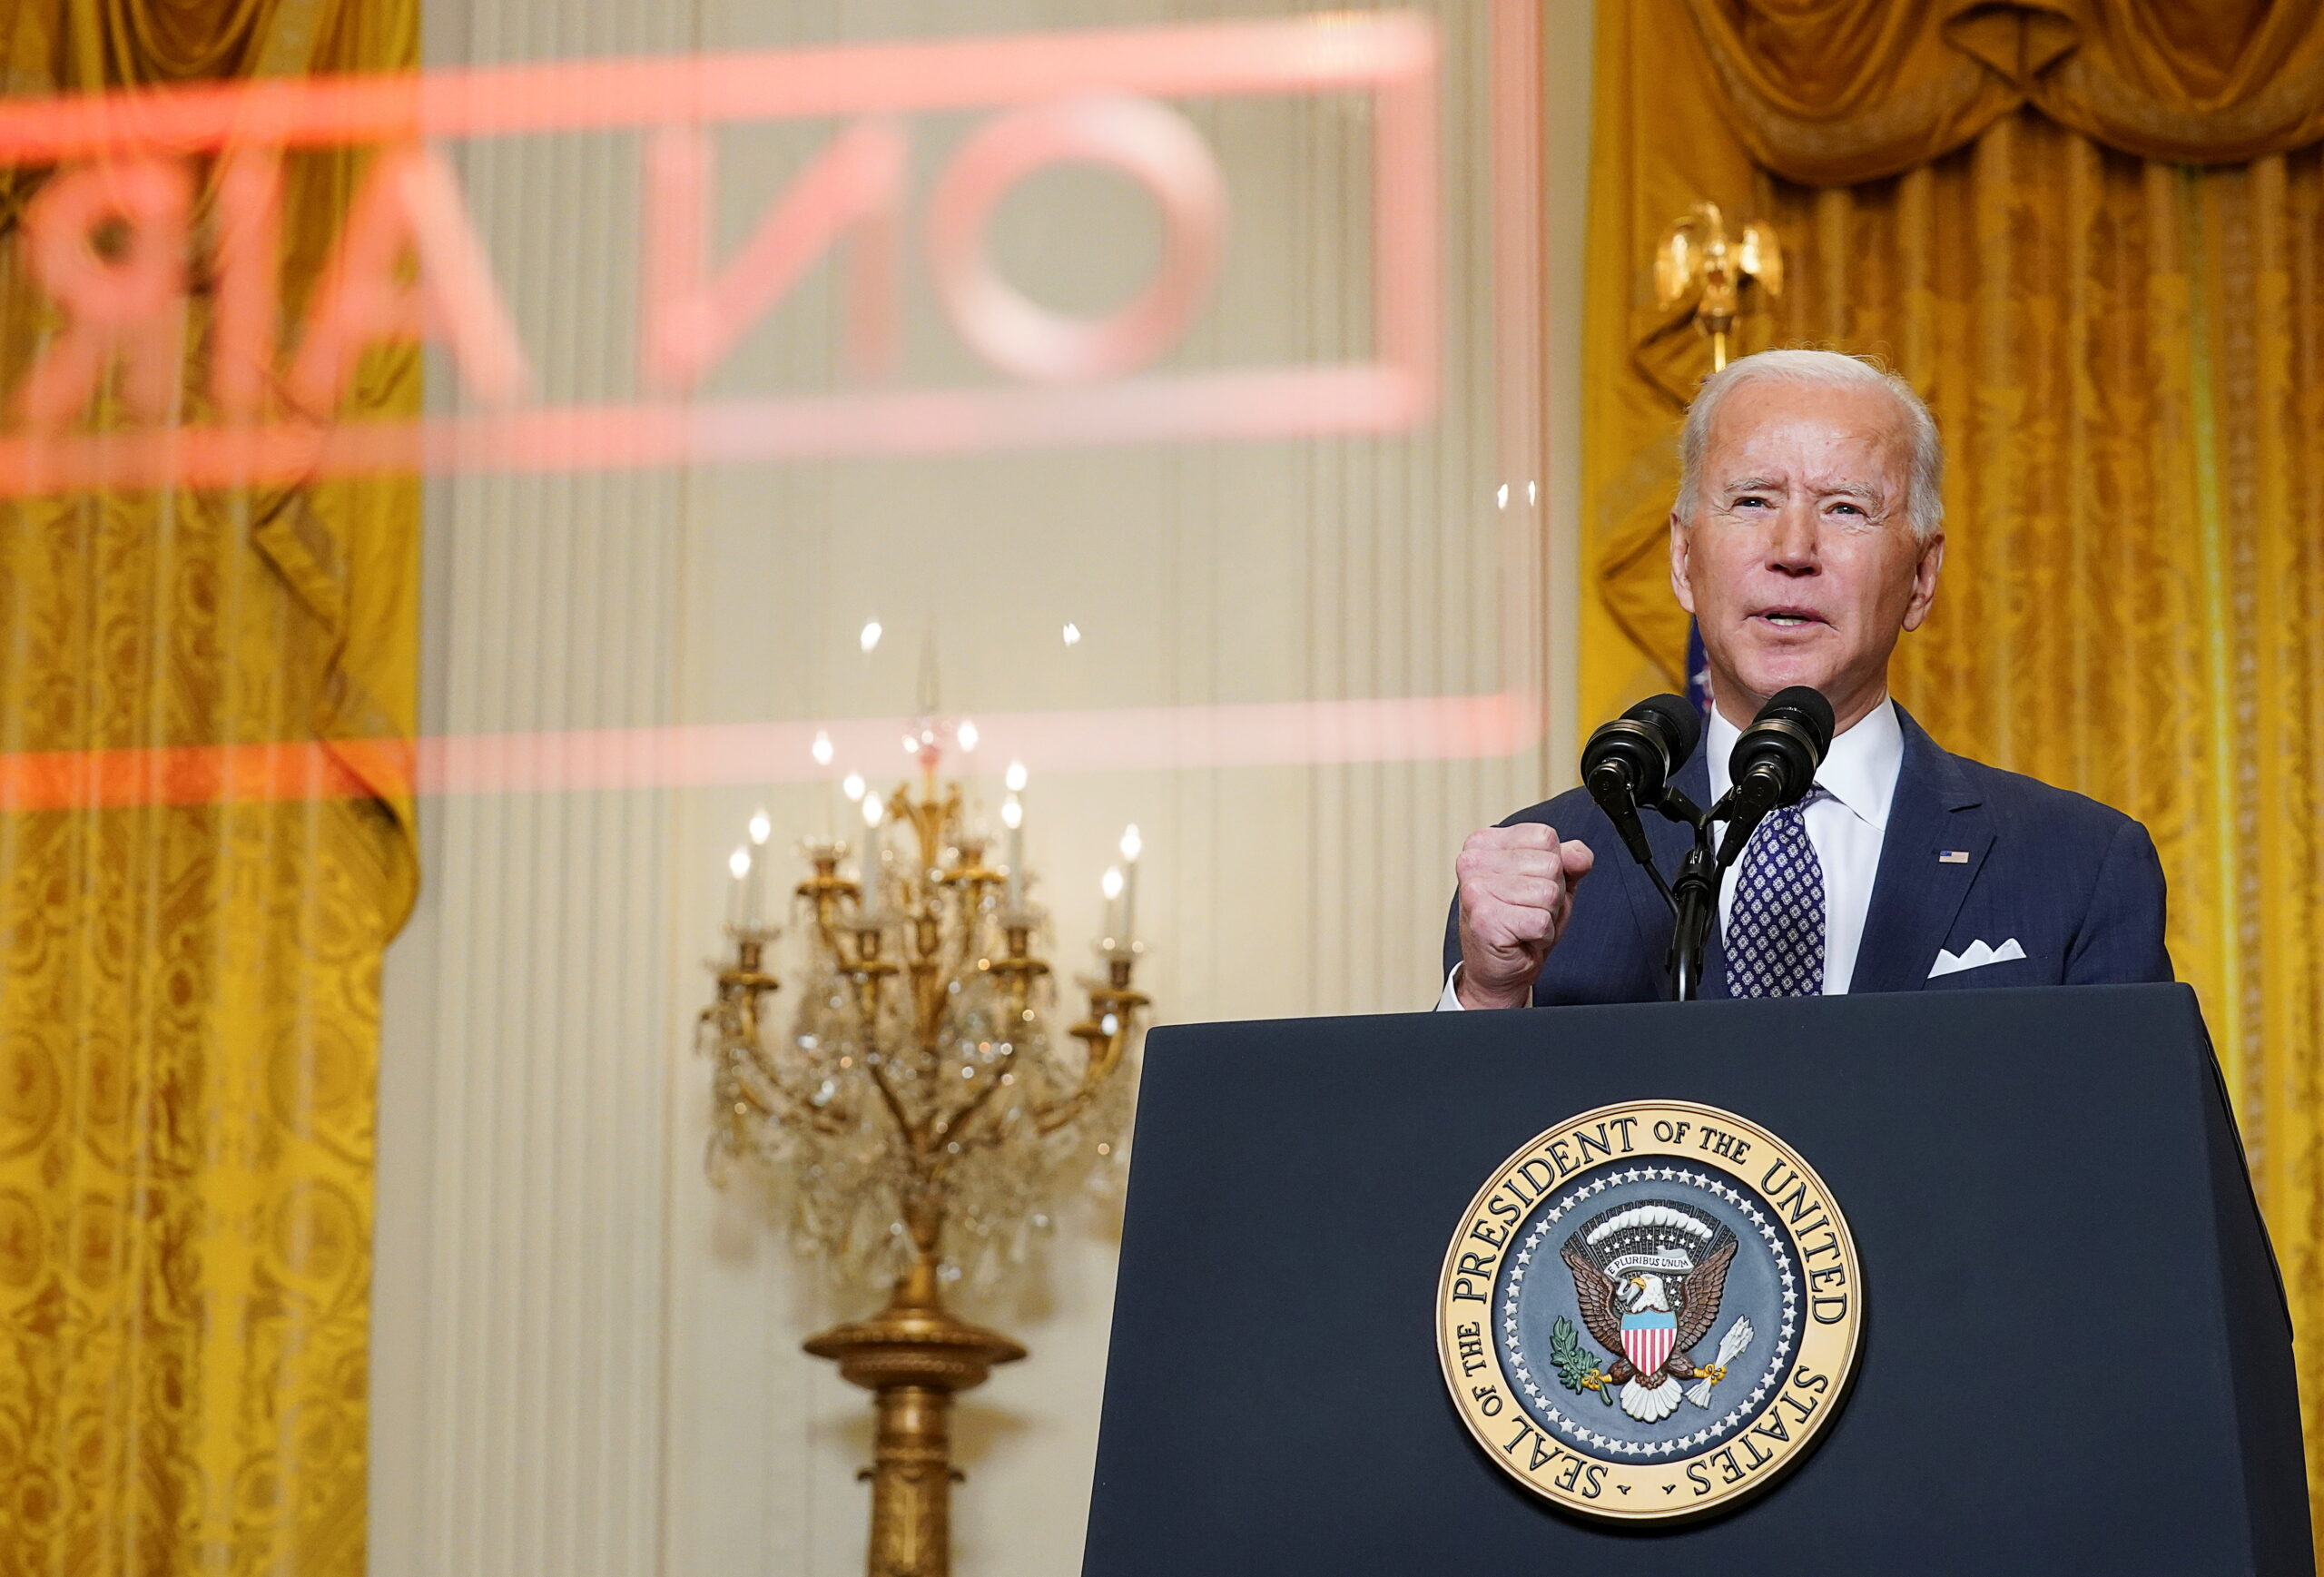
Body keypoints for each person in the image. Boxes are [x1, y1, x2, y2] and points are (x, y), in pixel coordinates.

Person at [1442, 348, 2171, 1010]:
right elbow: (1465, 1152)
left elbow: (2132, 1148)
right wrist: (1487, 993)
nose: (1793, 550)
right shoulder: (1539, 870)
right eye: (1753, 500)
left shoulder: (2079, 864)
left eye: (1845, 508)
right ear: (1682, 556)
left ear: (1922, 576)